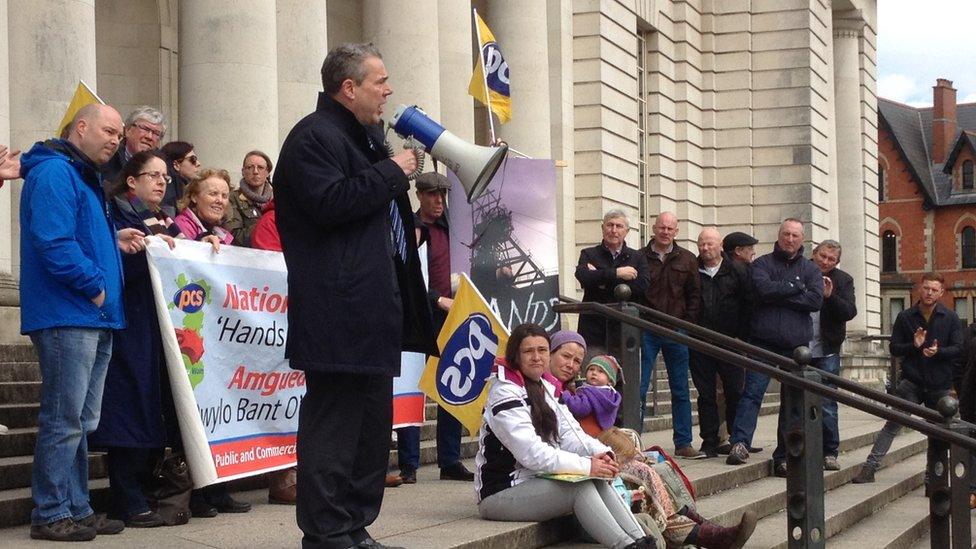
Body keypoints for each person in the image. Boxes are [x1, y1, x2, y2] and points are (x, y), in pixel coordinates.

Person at [274, 42, 436, 549]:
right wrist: (393, 173)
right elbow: (329, 203)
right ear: (348, 88)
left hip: (371, 310)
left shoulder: (365, 142)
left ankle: (353, 523)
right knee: (335, 428)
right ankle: (324, 532)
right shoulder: (312, 138)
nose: (389, 91)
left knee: (369, 431)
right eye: (379, 82)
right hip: (336, 310)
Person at [19, 103, 147, 541]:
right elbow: (53, 241)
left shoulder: (81, 175)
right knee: (65, 417)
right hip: (68, 315)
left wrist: (114, 239)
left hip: (92, 316)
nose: (115, 140)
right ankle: (51, 512)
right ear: (81, 127)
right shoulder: (56, 172)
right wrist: (96, 284)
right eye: (109, 131)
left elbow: (76, 234)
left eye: (119, 134)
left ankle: (75, 506)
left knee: (81, 420)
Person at [89, 151, 222, 526]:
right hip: (129, 324)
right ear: (132, 181)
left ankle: (144, 491)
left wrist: (207, 243)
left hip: (160, 330)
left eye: (166, 176)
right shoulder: (118, 214)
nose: (163, 182)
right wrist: (142, 249)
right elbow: (113, 265)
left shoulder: (165, 221)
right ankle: (126, 497)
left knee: (151, 409)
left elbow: (187, 260)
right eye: (154, 175)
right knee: (129, 409)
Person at [475, 323, 656, 549]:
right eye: (528, 351)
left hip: (537, 481)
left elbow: (571, 434)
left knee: (596, 477)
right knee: (580, 485)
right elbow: (533, 454)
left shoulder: (547, 388)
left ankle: (640, 541)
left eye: (542, 350)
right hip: (500, 492)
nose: (536, 357)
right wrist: (587, 465)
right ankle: (626, 546)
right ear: (515, 356)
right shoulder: (504, 391)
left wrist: (602, 453)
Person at [726, 219, 823, 472]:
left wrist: (780, 294)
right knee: (752, 395)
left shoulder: (811, 270)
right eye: (786, 234)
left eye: (795, 235)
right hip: (763, 342)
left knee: (792, 403)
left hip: (796, 347)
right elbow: (763, 290)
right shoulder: (761, 264)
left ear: (802, 239)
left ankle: (784, 455)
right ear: (778, 236)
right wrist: (794, 288)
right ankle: (740, 443)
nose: (790, 239)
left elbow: (814, 300)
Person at [395, 172, 472, 484]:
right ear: (420, 196)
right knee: (413, 386)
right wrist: (436, 298)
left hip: (451, 316)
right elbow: (405, 274)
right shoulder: (411, 228)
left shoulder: (453, 229)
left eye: (443, 195)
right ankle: (409, 463)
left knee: (450, 386)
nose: (439, 201)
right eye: (432, 195)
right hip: (419, 314)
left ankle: (450, 459)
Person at [853, 272, 964, 485]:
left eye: (934, 289)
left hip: (939, 383)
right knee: (893, 424)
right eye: (926, 288)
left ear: (941, 292)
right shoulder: (905, 317)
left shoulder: (950, 317)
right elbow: (894, 348)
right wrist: (913, 345)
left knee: (939, 433)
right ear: (920, 289)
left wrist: (938, 352)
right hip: (912, 381)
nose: (929, 293)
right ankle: (870, 467)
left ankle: (933, 477)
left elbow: (959, 348)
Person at [599, 427, 757, 548]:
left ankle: (719, 534)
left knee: (670, 509)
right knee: (668, 520)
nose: (629, 463)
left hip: (627, 512)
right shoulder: (603, 474)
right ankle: (720, 537)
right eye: (626, 459)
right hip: (617, 520)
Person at [639, 212, 701, 458]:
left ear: (676, 231)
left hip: (676, 330)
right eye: (661, 227)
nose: (665, 232)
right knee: (639, 388)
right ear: (654, 229)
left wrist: (686, 323)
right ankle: (633, 441)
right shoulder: (640, 257)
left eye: (670, 228)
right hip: (647, 329)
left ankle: (683, 442)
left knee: (680, 389)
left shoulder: (687, 259)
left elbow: (695, 295)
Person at [690, 228, 752, 458]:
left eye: (710, 244)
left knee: (735, 392)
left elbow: (748, 304)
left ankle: (737, 440)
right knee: (706, 394)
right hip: (700, 341)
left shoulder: (737, 270)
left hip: (731, 341)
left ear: (720, 246)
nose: (705, 248)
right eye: (702, 244)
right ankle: (709, 441)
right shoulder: (693, 270)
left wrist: (742, 337)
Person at [802, 240, 856, 471]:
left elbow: (849, 312)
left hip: (827, 349)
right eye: (822, 256)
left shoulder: (843, 280)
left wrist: (829, 296)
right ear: (813, 254)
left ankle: (829, 451)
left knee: (827, 403)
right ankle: (799, 448)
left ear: (837, 263)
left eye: (830, 259)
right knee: (796, 401)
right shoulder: (801, 271)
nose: (825, 262)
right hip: (800, 348)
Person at [575, 210, 651, 351]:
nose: (614, 230)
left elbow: (643, 285)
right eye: (610, 225)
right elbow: (584, 277)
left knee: (624, 373)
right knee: (592, 372)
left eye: (619, 226)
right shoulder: (588, 254)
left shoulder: (638, 257)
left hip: (625, 331)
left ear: (627, 231)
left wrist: (600, 279)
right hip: (594, 330)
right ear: (602, 228)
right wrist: (617, 273)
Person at [100, 106, 166, 186]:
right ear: (127, 130)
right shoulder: (107, 157)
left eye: (156, 133)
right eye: (144, 129)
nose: (149, 137)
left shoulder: (166, 166)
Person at [563, 355, 623, 437]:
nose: (594, 373)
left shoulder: (591, 392)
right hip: (603, 434)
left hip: (586, 433)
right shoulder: (610, 394)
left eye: (601, 371)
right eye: (591, 369)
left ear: (610, 381)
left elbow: (580, 408)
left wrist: (565, 394)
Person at [173, 169, 234, 245]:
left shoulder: (222, 233)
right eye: (213, 194)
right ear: (194, 197)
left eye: (224, 196)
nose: (220, 200)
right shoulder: (181, 226)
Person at [226, 150, 274, 246]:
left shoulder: (276, 199)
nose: (255, 171)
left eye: (260, 167)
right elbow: (233, 236)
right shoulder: (232, 198)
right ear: (243, 172)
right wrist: (266, 226)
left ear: (268, 172)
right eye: (250, 167)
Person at [159, 141, 199, 216]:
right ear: (176, 165)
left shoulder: (184, 185)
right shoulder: (169, 187)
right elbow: (170, 220)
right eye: (193, 159)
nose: (198, 163)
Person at [548, 330, 588, 396]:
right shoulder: (530, 388)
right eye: (566, 356)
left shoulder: (577, 397)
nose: (570, 365)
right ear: (550, 353)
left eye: (577, 361)